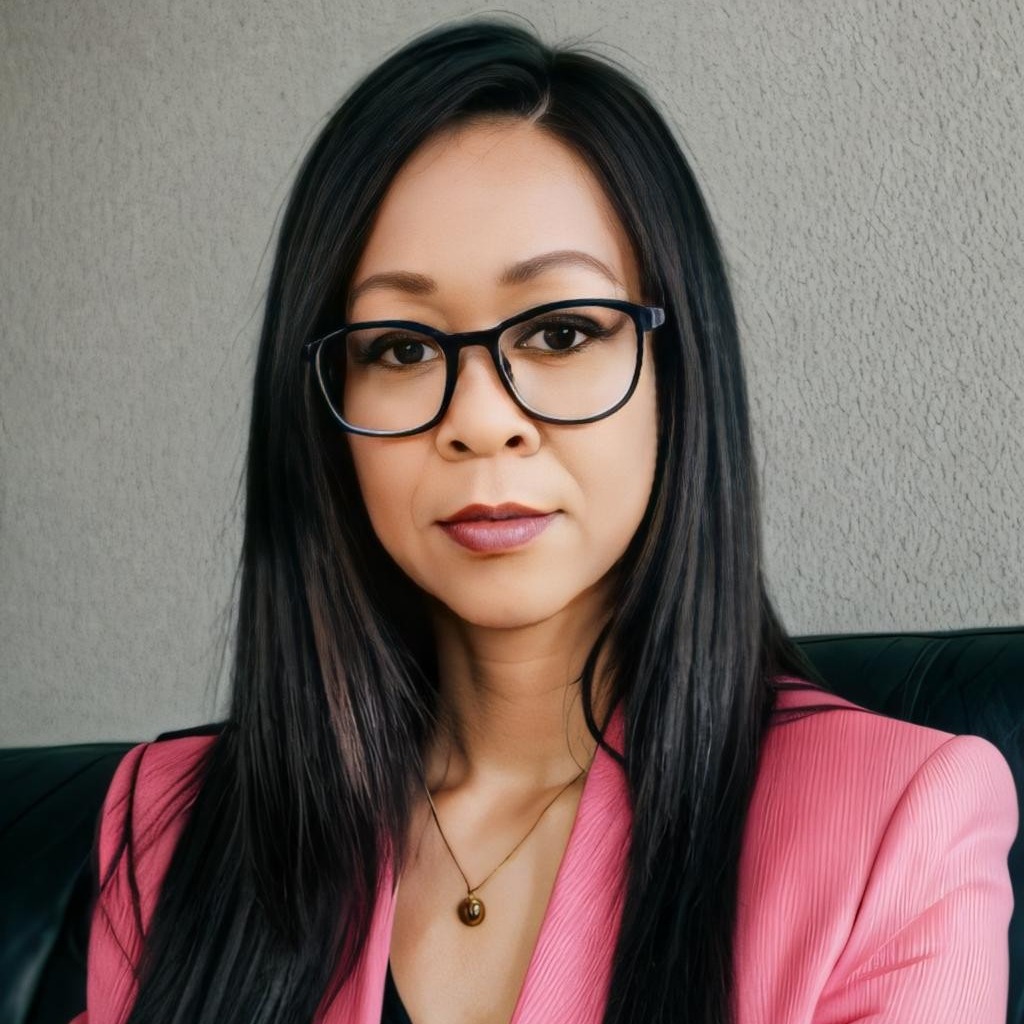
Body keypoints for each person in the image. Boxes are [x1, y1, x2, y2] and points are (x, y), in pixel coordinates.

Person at [71, 17, 1017, 1024]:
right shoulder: (167, 829)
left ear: (676, 373)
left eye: (561, 332)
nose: (482, 422)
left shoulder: (894, 825)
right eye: (400, 348)